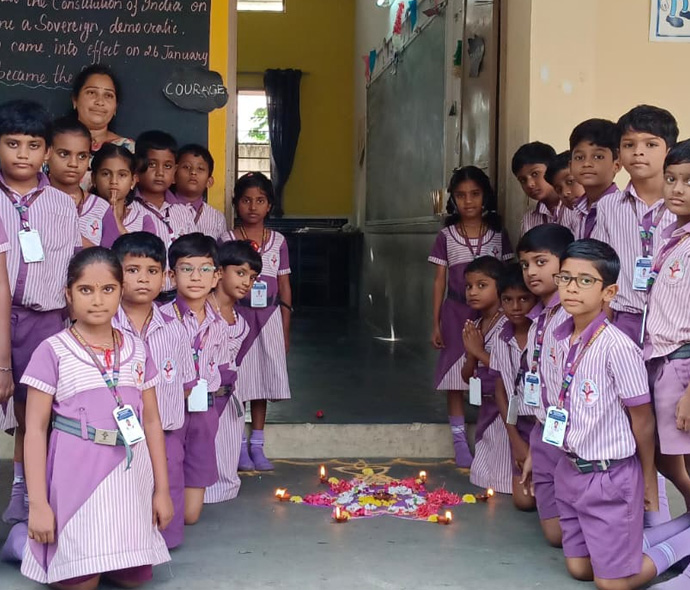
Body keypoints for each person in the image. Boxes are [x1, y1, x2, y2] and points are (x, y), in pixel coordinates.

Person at [21, 247, 171, 587]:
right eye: (86, 290)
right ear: (68, 294)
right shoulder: (53, 350)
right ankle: (22, 543)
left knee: (136, 579)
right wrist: (39, 505)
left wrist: (161, 491)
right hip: (78, 474)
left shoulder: (137, 349)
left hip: (130, 474)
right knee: (81, 584)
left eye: (108, 289)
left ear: (121, 291)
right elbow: (35, 430)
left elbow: (151, 422)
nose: (98, 300)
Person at [550, 239, 689, 590]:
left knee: (611, 584)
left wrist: (647, 477)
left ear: (609, 292)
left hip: (609, 476)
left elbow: (642, 419)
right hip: (570, 470)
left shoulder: (618, 347)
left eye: (585, 280)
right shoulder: (559, 338)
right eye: (565, 278)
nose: (571, 288)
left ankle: (685, 540)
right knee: (580, 569)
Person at [0, 100, 81, 527]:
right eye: (12, 143)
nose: (23, 154)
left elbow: (71, 267)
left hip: (45, 320)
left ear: (47, 151)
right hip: (2, 314)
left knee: (33, 412)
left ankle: (24, 491)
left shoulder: (62, 205)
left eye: (33, 145)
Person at [111, 232, 197, 550]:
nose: (143, 279)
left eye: (152, 271)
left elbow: (185, 383)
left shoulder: (174, 328)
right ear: (115, 274)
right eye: (132, 270)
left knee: (168, 483)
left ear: (165, 277)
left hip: (167, 430)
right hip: (119, 434)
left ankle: (163, 540)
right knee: (122, 490)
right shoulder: (105, 325)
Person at [429, 166, 512, 468]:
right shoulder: (446, 236)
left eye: (475, 194)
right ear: (452, 198)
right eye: (461, 195)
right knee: (455, 376)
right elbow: (439, 281)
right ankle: (459, 440)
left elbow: (508, 277)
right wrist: (435, 323)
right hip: (455, 313)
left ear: (485, 196)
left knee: (491, 369)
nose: (468, 201)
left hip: (493, 316)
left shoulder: (498, 235)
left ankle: (493, 432)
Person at [160, 233, 233, 531]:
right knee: (168, 486)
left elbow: (225, 372)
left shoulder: (219, 323)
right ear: (171, 276)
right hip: (171, 413)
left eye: (205, 269)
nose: (195, 277)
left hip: (203, 413)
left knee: (190, 515)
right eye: (186, 268)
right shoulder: (162, 319)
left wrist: (213, 412)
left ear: (217, 276)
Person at [593, 105, 678, 345]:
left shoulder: (682, 206)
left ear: (669, 151)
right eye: (629, 145)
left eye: (650, 144)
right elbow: (601, 266)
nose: (638, 152)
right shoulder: (609, 206)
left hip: (674, 323)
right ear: (619, 153)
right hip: (623, 319)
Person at [224, 172, 292, 472]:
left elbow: (285, 285)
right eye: (246, 200)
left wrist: (286, 327)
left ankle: (257, 444)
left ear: (269, 205)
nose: (253, 207)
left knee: (261, 381)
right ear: (236, 203)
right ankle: (239, 445)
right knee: (238, 382)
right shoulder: (227, 239)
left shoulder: (278, 241)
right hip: (238, 318)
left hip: (270, 318)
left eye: (260, 200)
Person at [645, 140, 690, 561]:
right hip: (663, 361)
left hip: (683, 365)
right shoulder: (674, 236)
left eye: (689, 182)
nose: (677, 189)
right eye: (672, 178)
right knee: (665, 456)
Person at [517, 223, 575, 547]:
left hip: (571, 434)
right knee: (555, 536)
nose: (531, 272)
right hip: (545, 430)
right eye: (525, 264)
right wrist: (535, 448)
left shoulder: (572, 314)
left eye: (541, 262)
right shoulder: (538, 318)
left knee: (571, 538)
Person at [204, 240, 260, 504]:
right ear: (219, 272)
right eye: (240, 273)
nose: (247, 282)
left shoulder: (242, 322)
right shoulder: (200, 311)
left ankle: (224, 487)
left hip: (228, 396)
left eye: (253, 277)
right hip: (201, 397)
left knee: (226, 448)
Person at [459, 256, 511, 493]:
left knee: (503, 454)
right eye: (469, 286)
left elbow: (510, 371)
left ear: (500, 287)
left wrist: (479, 351)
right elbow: (467, 376)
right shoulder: (476, 325)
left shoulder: (508, 323)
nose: (473, 292)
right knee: (483, 469)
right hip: (486, 403)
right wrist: (472, 354)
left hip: (504, 403)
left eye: (482, 285)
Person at [490, 262, 538, 510]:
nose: (516, 307)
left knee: (547, 494)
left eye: (523, 299)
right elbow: (500, 390)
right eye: (508, 300)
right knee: (523, 501)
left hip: (545, 425)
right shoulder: (501, 337)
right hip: (520, 423)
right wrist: (516, 440)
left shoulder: (544, 333)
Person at [134, 130, 195, 300]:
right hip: (142, 297)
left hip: (180, 297)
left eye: (167, 166)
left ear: (175, 171)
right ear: (137, 167)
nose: (160, 172)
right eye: (152, 164)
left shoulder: (183, 212)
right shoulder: (129, 210)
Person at [71, 65, 135, 191]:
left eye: (108, 95)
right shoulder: (54, 143)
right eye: (91, 93)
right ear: (75, 100)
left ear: (115, 107)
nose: (100, 102)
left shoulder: (128, 149)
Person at [47, 117, 109, 247]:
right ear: (46, 153)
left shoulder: (101, 208)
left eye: (82, 156)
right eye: (64, 154)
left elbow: (112, 257)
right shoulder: (31, 200)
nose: (73, 163)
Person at [92, 144, 155, 247]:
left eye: (122, 175)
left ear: (133, 181)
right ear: (94, 179)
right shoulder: (82, 214)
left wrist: (117, 223)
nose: (114, 181)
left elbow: (145, 253)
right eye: (106, 174)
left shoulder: (143, 220)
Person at [568, 119, 621, 239]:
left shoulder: (622, 210)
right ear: (570, 166)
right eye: (579, 157)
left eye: (598, 157)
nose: (587, 163)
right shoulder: (577, 210)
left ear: (616, 164)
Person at [173, 144, 228, 241]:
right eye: (186, 167)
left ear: (209, 182)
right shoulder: (164, 210)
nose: (193, 172)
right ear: (173, 176)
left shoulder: (217, 218)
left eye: (200, 169)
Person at [511, 141, 561, 235]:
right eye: (523, 180)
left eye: (535, 174)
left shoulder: (576, 209)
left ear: (552, 169)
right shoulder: (529, 220)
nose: (529, 184)